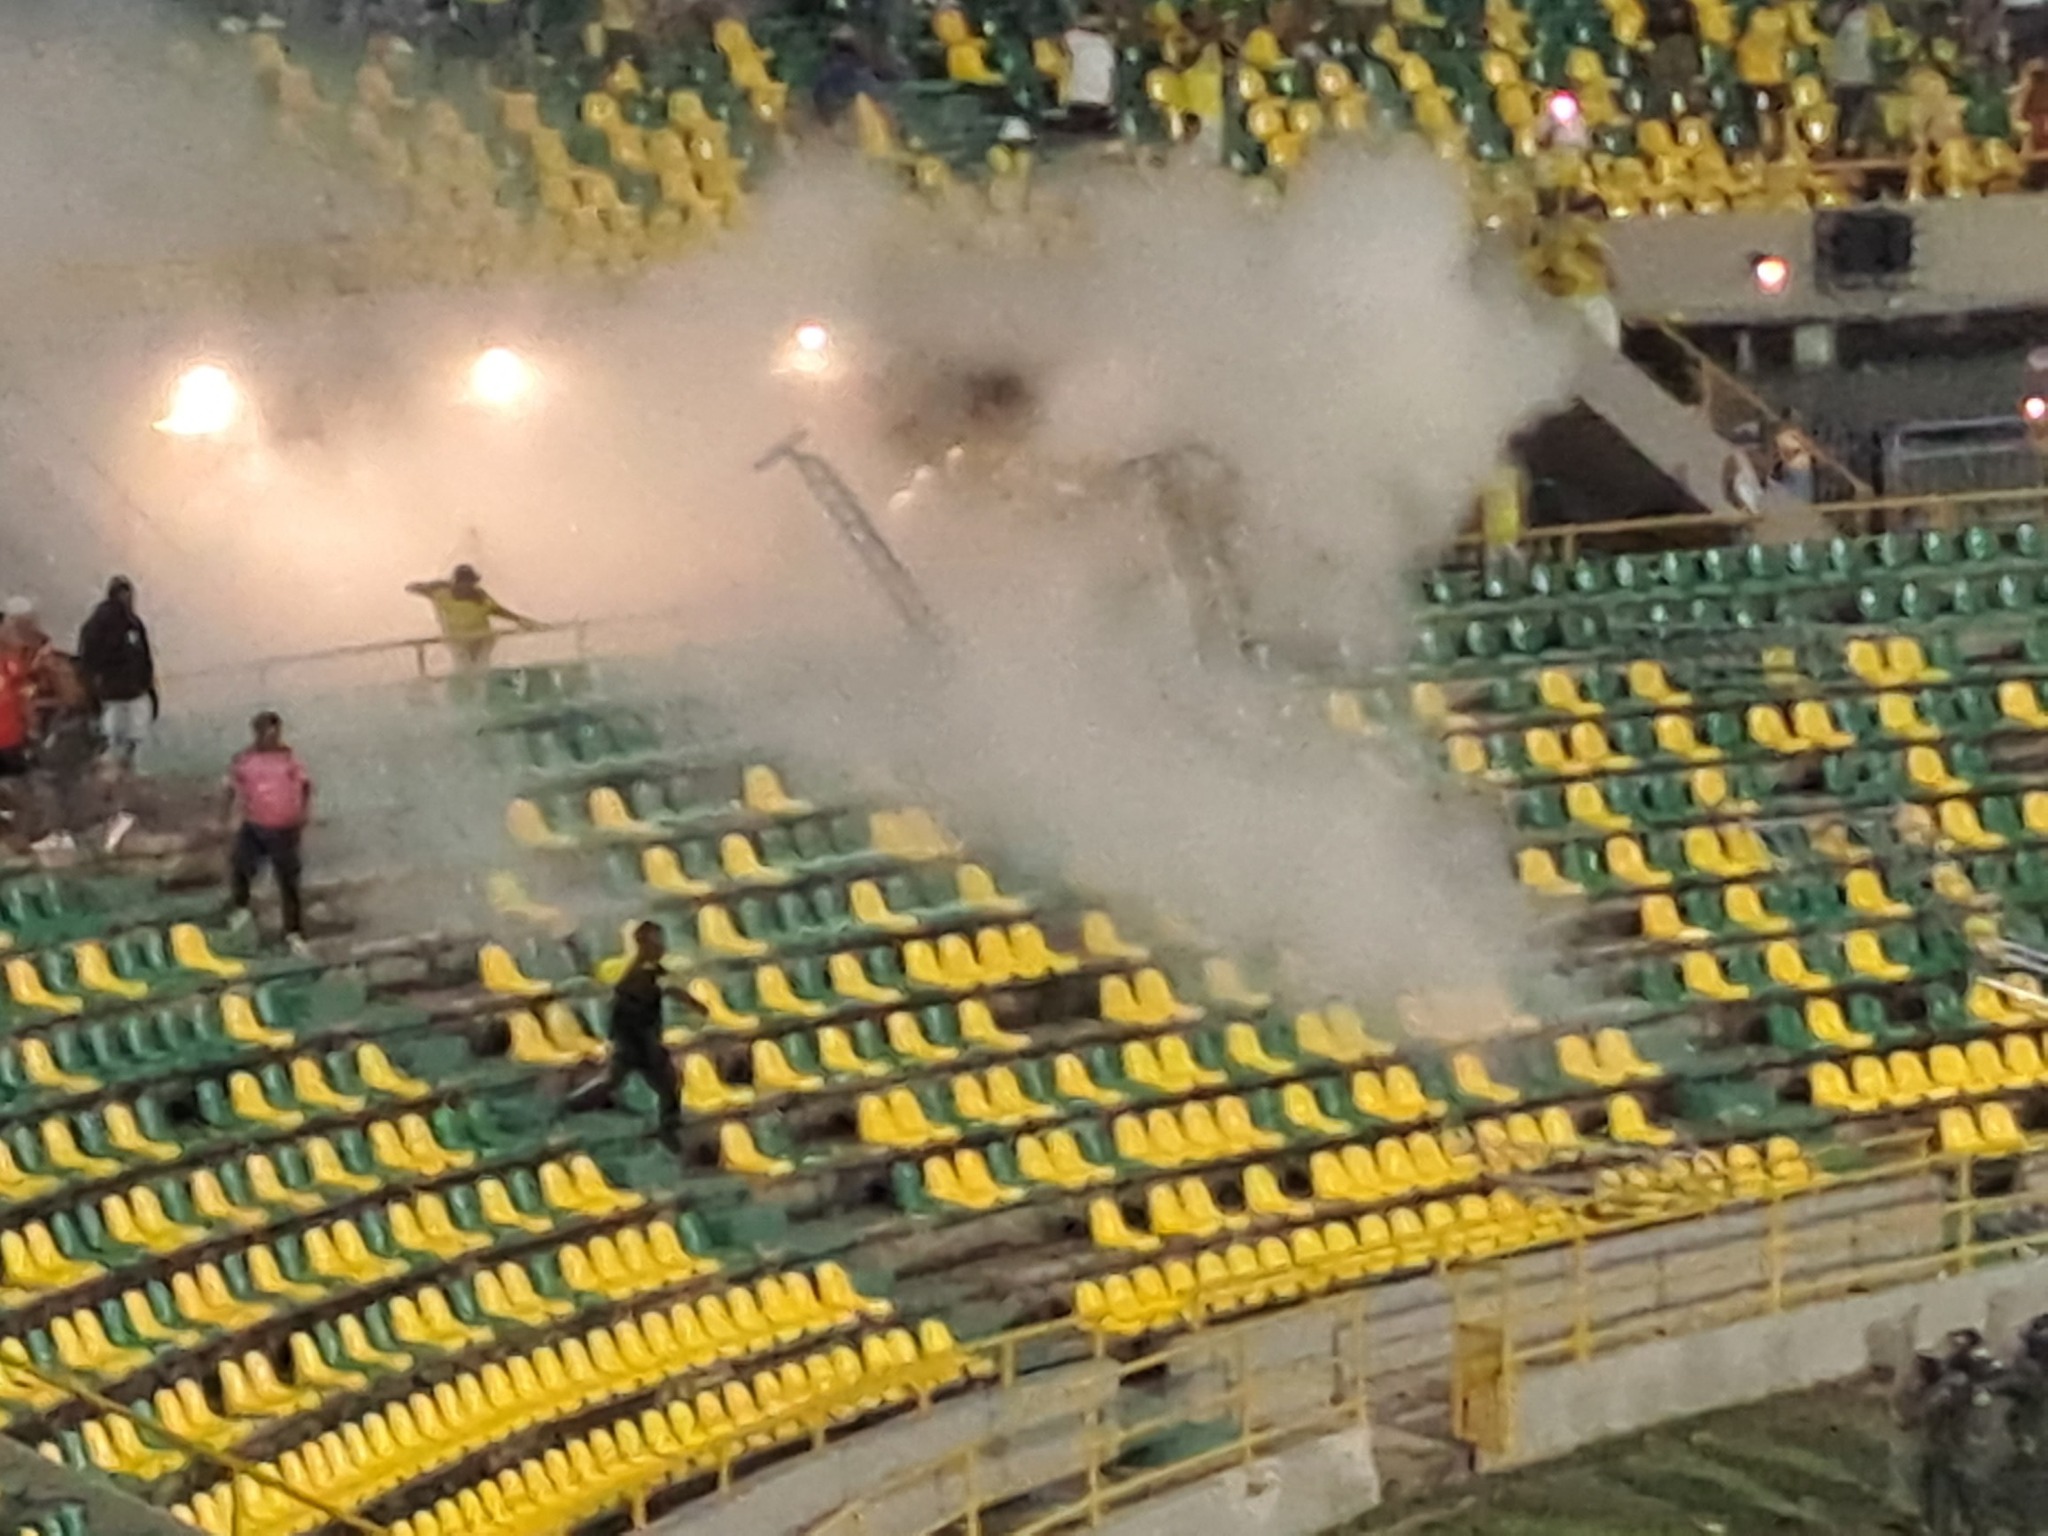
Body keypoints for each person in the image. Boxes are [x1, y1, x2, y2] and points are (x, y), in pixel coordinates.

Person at [567, 920, 694, 1151]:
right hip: (638, 1042)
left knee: (618, 1081)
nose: (662, 947)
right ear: (643, 944)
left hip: (638, 1041)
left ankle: (573, 1105)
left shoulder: (650, 970)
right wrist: (644, 1044)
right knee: (664, 1085)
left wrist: (691, 1001)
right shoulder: (637, 976)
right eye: (657, 942)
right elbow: (630, 1012)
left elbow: (668, 987)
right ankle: (668, 1130)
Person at [224, 711, 314, 955]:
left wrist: (303, 814)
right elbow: (232, 789)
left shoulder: (289, 758)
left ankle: (293, 932)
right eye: (266, 732)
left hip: (285, 828)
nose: (271, 738)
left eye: (274, 732)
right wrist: (229, 817)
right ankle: (240, 914)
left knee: (288, 882)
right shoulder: (245, 760)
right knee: (241, 867)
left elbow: (305, 786)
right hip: (255, 825)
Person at [76, 577, 157, 773]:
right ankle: (113, 779)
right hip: (116, 693)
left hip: (124, 691)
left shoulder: (131, 623)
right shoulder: (106, 625)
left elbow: (144, 658)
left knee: (123, 741)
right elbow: (89, 660)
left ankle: (119, 775)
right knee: (120, 741)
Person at [405, 564, 543, 672]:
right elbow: (411, 587)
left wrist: (522, 621)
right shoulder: (441, 593)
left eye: (470, 583)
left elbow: (499, 611)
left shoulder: (480, 597)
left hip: (481, 640)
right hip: (458, 641)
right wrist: (439, 584)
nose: (468, 587)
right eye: (464, 583)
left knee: (479, 668)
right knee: (464, 667)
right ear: (455, 583)